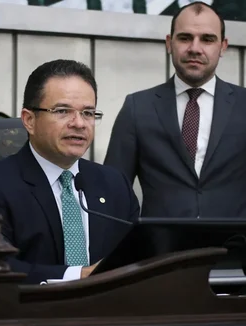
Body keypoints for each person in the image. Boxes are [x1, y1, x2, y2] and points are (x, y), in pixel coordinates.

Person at [0, 59, 140, 284]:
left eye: (88, 113)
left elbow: (139, 259)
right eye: (63, 111)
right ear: (29, 120)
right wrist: (80, 276)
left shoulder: (115, 184)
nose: (79, 123)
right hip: (28, 314)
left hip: (110, 315)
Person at [105, 1, 246, 219]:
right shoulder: (137, 108)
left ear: (223, 46)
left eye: (207, 39)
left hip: (235, 248)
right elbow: (111, 191)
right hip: (161, 250)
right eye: (185, 37)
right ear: (169, 43)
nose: (195, 48)